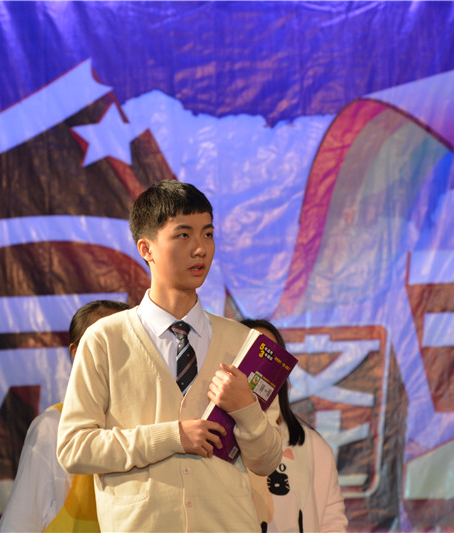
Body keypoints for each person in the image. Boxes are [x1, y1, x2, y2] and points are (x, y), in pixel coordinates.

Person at [57, 180, 282, 532]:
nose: (200, 248)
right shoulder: (105, 339)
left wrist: (247, 410)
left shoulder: (243, 341)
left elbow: (267, 462)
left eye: (208, 234)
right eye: (183, 235)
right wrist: (171, 437)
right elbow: (75, 448)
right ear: (146, 248)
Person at [0, 299, 131, 532]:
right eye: (105, 344)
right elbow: (18, 525)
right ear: (77, 353)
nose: (117, 357)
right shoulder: (53, 428)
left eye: (127, 346)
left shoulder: (153, 427)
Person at [241, 319, 348, 533]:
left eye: (271, 356)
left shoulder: (313, 445)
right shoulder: (214, 437)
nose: (262, 365)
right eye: (253, 353)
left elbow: (332, 522)